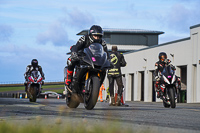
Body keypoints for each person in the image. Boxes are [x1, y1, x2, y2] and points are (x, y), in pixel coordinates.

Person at [65, 25, 108, 90]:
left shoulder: (102, 42)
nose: (96, 38)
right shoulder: (84, 38)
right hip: (83, 57)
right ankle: (69, 78)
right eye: (95, 36)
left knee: (104, 69)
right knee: (71, 60)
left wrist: (109, 60)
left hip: (95, 59)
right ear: (91, 35)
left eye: (98, 36)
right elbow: (76, 46)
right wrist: (74, 53)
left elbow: (106, 52)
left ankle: (98, 84)